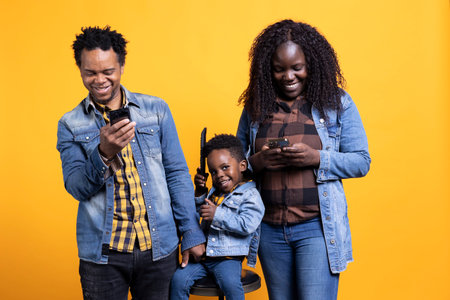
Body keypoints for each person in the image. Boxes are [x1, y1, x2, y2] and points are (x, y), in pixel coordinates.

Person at [56, 26, 205, 300]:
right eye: (90, 72)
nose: (99, 80)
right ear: (80, 69)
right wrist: (104, 153)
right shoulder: (70, 124)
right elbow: (76, 187)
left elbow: (176, 173)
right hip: (103, 256)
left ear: (121, 66)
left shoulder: (156, 110)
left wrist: (192, 232)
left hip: (159, 248)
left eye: (107, 71)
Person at [236, 20, 371, 299]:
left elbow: (361, 161)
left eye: (297, 67)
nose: (288, 76)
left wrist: (316, 158)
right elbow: (234, 167)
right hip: (270, 231)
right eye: (279, 69)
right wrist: (257, 163)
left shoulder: (337, 104)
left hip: (317, 229)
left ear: (311, 64)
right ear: (267, 70)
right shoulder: (256, 107)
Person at [170, 134, 265, 300]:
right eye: (214, 171)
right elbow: (200, 214)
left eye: (225, 167)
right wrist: (200, 192)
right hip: (205, 256)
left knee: (230, 286)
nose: (219, 174)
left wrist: (218, 214)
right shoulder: (215, 192)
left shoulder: (250, 195)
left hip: (227, 259)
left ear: (242, 165)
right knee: (178, 280)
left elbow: (247, 225)